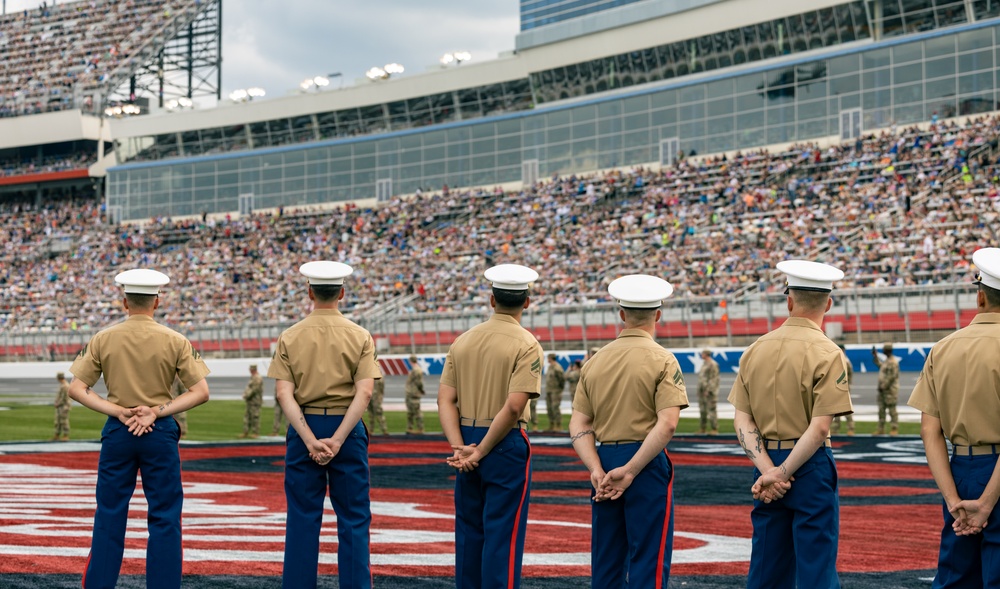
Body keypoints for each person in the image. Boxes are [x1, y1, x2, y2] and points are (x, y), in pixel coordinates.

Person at [67, 269, 210, 589]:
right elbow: (201, 392)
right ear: (157, 301)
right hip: (159, 430)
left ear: (124, 302)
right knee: (165, 516)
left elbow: (77, 388)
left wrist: (118, 411)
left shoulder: (104, 337)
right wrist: (156, 411)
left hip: (118, 430)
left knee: (109, 514)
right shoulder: (175, 339)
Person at [728, 260, 853, 589]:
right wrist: (784, 473)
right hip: (809, 464)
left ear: (789, 300)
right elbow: (820, 427)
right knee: (816, 569)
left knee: (767, 566)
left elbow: (742, 419)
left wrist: (769, 470)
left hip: (765, 462)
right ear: (828, 303)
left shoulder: (755, 349)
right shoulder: (828, 351)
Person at [569, 274, 689, 588]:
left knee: (606, 558)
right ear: (658, 315)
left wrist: (596, 468)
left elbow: (579, 424)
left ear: (621, 315)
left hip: (604, 460)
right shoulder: (663, 359)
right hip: (644, 461)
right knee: (648, 557)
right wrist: (632, 469)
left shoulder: (594, 362)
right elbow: (668, 423)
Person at [267, 261, 381, 589]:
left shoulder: (290, 336)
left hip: (306, 426)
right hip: (347, 426)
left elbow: (283, 394)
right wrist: (339, 439)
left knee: (302, 519)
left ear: (309, 292)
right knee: (354, 520)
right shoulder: (360, 335)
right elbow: (365, 392)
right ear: (342, 293)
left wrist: (309, 439)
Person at [437, 263, 543, 589]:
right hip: (502, 442)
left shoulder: (463, 341)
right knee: (503, 536)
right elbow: (514, 407)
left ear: (491, 299)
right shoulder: (527, 344)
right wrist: (481, 450)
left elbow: (445, 400)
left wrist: (461, 448)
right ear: (527, 301)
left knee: (469, 532)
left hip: (465, 438)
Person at [908, 248, 1000, 587]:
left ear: (980, 296)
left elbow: (930, 431)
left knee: (955, 575)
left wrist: (952, 500)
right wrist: (988, 503)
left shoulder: (942, 348)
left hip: (960, 471)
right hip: (996, 475)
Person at [872, 343, 900, 435]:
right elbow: (881, 367)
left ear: (887, 350)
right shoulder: (887, 361)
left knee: (892, 410)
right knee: (881, 410)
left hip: (890, 391)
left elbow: (892, 376)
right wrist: (875, 357)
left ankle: (894, 428)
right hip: (883, 390)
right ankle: (881, 429)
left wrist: (883, 386)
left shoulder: (893, 362)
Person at [831, 344, 855, 436]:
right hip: (837, 388)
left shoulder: (846, 361)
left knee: (846, 408)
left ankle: (851, 428)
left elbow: (849, 376)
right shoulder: (839, 360)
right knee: (836, 409)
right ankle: (836, 427)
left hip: (844, 387)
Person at [697, 349, 720, 435]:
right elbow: (702, 378)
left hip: (709, 392)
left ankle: (714, 429)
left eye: (702, 353)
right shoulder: (704, 364)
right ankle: (703, 428)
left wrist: (708, 390)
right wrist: (700, 390)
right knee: (702, 410)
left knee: (711, 410)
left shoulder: (713, 364)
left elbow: (714, 378)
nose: (701, 355)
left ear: (706, 354)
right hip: (702, 391)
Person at [240, 364, 263, 438]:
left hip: (255, 401)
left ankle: (255, 432)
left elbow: (254, 390)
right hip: (250, 401)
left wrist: (247, 395)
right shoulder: (253, 377)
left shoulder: (257, 378)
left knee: (255, 417)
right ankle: (245, 432)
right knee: (247, 417)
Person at [545, 353, 566, 431]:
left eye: (548, 358)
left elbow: (562, 379)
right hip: (549, 390)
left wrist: (560, 389)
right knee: (549, 408)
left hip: (555, 391)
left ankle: (558, 425)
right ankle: (552, 424)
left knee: (555, 408)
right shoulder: (550, 367)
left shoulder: (557, 368)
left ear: (550, 358)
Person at [405, 354, 425, 434]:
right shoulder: (416, 370)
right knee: (411, 412)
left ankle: (420, 428)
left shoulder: (416, 370)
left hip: (413, 393)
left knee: (416, 411)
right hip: (412, 393)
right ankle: (410, 428)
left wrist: (421, 389)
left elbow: (418, 382)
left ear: (410, 361)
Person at [52, 372, 71, 441]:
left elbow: (64, 398)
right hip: (60, 406)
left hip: (64, 406)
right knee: (58, 421)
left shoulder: (65, 386)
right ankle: (57, 435)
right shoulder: (62, 385)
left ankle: (65, 435)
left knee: (64, 421)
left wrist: (57, 403)